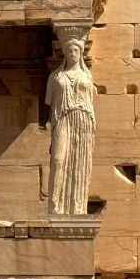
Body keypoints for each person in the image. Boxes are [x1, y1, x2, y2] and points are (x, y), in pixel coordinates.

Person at [45, 38, 96, 215]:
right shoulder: (56, 76)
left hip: (83, 119)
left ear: (81, 54)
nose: (73, 54)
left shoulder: (87, 76)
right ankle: (55, 205)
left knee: (79, 162)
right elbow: (50, 104)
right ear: (65, 54)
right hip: (62, 119)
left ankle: (77, 207)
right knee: (59, 160)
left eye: (76, 51)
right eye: (69, 51)